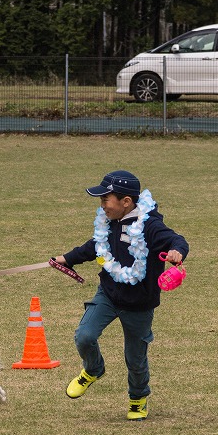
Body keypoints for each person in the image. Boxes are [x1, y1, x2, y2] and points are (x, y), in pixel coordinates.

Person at [51, 170, 189, 421]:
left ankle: (138, 398)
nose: (102, 205)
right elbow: (95, 246)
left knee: (135, 358)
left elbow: (177, 240)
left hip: (139, 303)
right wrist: (67, 259)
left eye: (106, 200)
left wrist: (177, 252)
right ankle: (93, 369)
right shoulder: (110, 222)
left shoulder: (149, 225)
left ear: (126, 202)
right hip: (109, 293)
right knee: (84, 336)